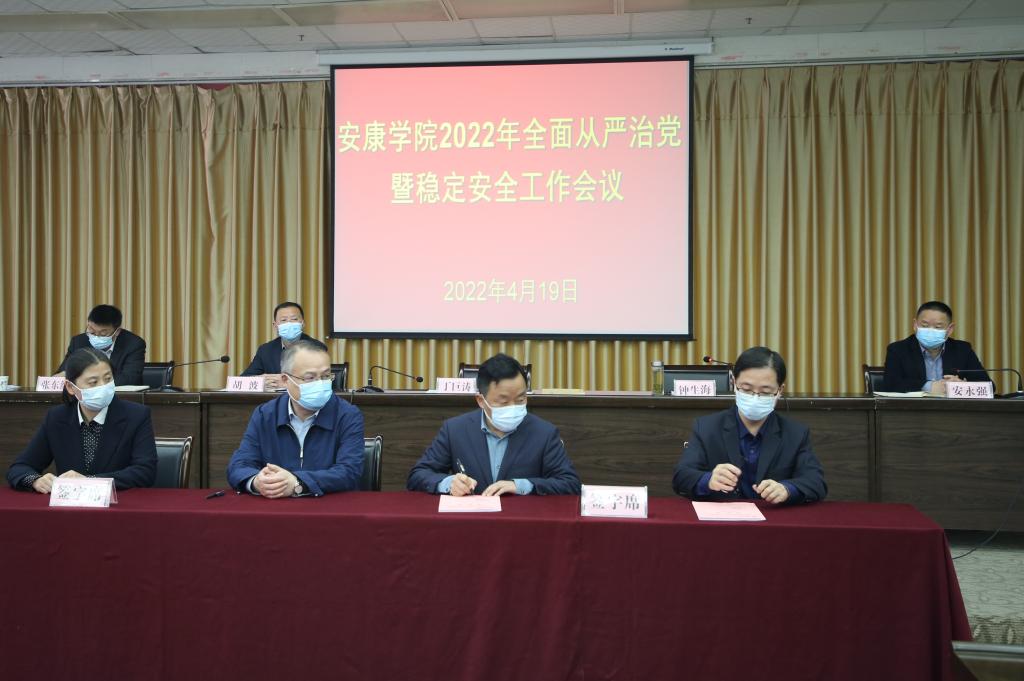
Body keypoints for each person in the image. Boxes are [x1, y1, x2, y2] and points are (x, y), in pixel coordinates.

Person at [407, 353, 581, 496]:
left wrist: (521, 485)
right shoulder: (455, 430)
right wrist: (448, 483)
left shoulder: (544, 433)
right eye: (503, 402)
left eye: (520, 399)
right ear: (480, 401)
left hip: (522, 522)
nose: (513, 407)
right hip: (471, 522)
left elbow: (570, 483)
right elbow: (418, 475)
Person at [672, 346, 826, 505]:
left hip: (772, 517)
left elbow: (816, 483)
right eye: (746, 389)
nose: (755, 397)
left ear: (780, 390)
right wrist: (708, 480)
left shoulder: (795, 433)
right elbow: (681, 477)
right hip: (723, 517)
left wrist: (787, 489)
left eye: (765, 392)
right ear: (734, 383)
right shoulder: (707, 428)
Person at [227, 339, 363, 497]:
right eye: (310, 378)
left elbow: (349, 471)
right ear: (286, 380)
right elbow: (239, 465)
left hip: (328, 506)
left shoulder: (347, 415)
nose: (320, 384)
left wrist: (298, 483)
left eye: (326, 376)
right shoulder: (265, 414)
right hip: (275, 505)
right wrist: (256, 481)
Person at [8, 348, 158, 492]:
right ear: (70, 387)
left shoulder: (136, 415)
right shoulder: (57, 417)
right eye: (93, 382)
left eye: (108, 379)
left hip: (118, 503)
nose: (103, 386)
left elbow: (145, 472)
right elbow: (20, 467)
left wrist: (89, 481)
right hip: (70, 505)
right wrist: (35, 480)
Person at [882, 300, 987, 394]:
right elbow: (890, 385)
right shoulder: (898, 350)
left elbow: (988, 386)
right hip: (913, 408)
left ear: (950, 329)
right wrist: (929, 386)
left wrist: (963, 386)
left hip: (953, 408)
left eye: (938, 327)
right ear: (915, 325)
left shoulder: (962, 350)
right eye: (925, 325)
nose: (930, 331)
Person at [56, 304, 146, 386]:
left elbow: (130, 378)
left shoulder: (133, 344)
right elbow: (63, 373)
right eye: (92, 331)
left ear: (117, 332)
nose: (96, 336)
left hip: (117, 395)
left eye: (103, 334)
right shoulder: (78, 341)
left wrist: (93, 382)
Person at [241, 301, 317, 389]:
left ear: (302, 323)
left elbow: (320, 381)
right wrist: (259, 382)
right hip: (273, 397)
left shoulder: (317, 348)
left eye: (294, 319)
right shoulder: (266, 350)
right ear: (275, 325)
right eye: (284, 320)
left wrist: (287, 382)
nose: (289, 323)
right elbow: (243, 380)